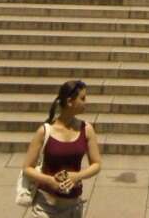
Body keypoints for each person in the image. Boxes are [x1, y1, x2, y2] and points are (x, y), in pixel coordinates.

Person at [22, 79, 101, 218]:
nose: (87, 102)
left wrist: (78, 176)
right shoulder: (44, 131)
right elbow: (27, 168)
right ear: (70, 101)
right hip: (45, 204)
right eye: (83, 98)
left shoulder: (87, 129)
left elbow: (96, 164)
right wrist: (50, 181)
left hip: (73, 205)